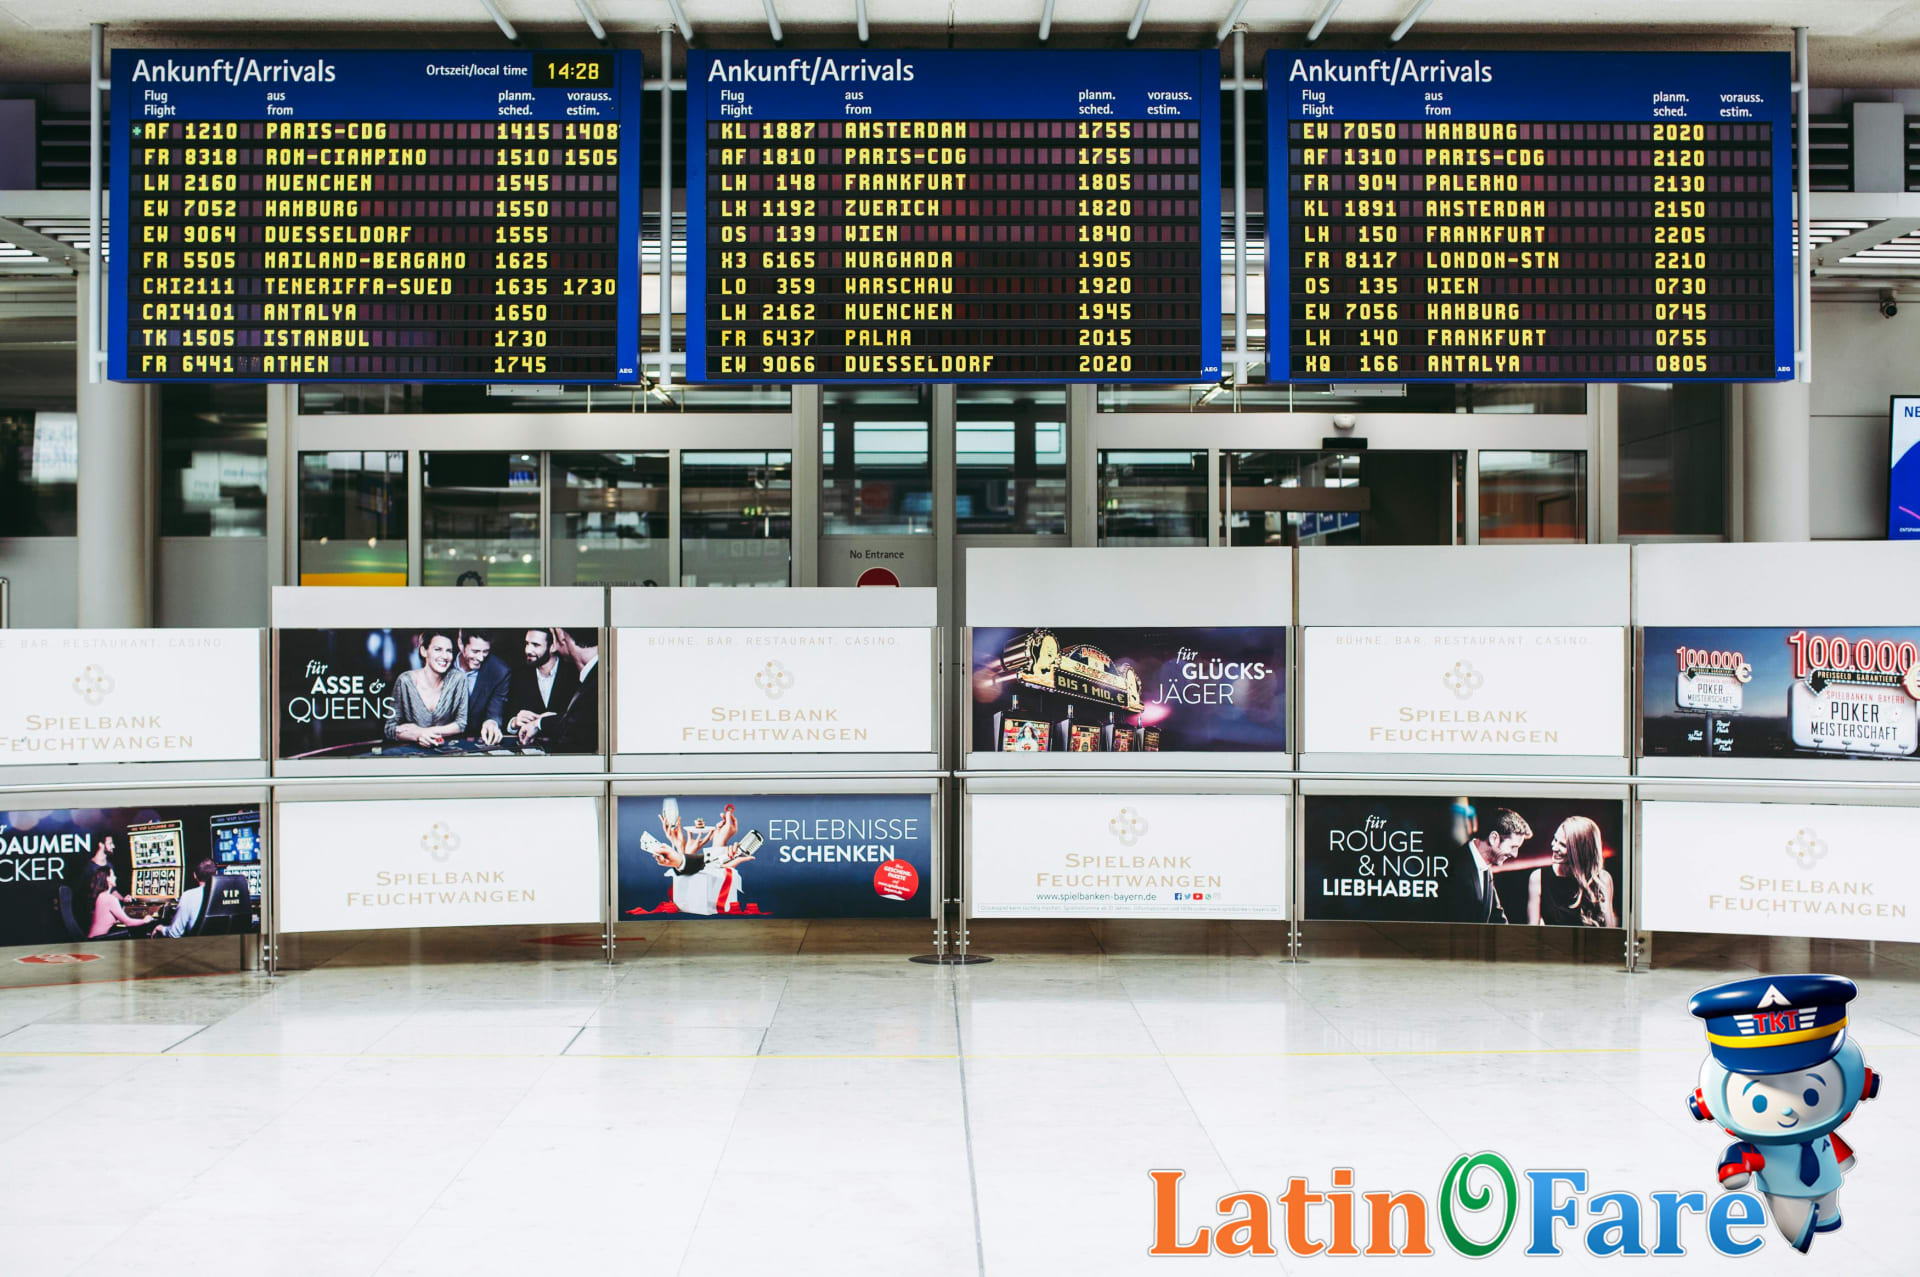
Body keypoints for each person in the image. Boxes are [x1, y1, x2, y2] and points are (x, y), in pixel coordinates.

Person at [1442, 804, 1529, 925]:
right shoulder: (1455, 864)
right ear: (1494, 838)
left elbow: (1497, 916)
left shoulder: (1485, 868)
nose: (1515, 855)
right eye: (1513, 847)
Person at [1527, 815, 1617, 928]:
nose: (1554, 847)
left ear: (1580, 850)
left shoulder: (1603, 879)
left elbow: (1610, 931)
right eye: (1555, 839)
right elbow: (1532, 931)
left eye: (1563, 845)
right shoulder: (1538, 878)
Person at [519, 626, 598, 753]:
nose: (528, 649)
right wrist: (539, 723)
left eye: (535, 644)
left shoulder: (598, 680)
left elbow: (578, 729)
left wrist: (539, 723)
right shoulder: (597, 672)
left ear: (560, 636)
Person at [385, 630, 469, 748]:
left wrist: (424, 732)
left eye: (449, 651)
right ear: (424, 651)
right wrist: (418, 735)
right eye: (438, 649)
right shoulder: (405, 681)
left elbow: (461, 724)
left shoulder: (458, 679)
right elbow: (390, 728)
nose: (445, 656)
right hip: (413, 752)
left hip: (448, 750)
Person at [504, 628, 577, 741]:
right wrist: (514, 722)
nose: (528, 650)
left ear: (553, 647)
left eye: (535, 645)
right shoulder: (519, 674)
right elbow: (507, 716)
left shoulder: (573, 673)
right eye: (527, 643)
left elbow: (580, 720)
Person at [455, 631, 513, 747]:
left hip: (476, 742)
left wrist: (491, 723)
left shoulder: (500, 671)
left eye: (485, 651)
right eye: (475, 651)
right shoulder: (443, 663)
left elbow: (495, 710)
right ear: (461, 644)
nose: (481, 658)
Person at [84, 865, 158, 939]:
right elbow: (128, 922)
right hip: (98, 940)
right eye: (113, 875)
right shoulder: (110, 898)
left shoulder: (101, 896)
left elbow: (105, 918)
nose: (115, 877)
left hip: (92, 939)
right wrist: (145, 920)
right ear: (107, 878)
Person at [157, 860, 217, 939]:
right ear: (216, 873)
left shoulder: (189, 896)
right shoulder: (226, 893)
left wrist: (161, 928)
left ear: (195, 875)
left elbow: (174, 933)